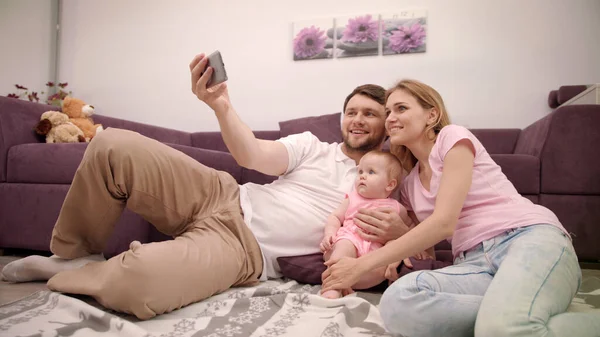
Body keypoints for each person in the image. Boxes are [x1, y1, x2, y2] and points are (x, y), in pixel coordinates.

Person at [0, 53, 411, 320]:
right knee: (112, 144)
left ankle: (80, 273)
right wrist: (220, 105)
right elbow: (250, 155)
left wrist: (403, 234)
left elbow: (421, 231)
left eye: (370, 114)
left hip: (243, 250)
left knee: (135, 286)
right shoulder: (312, 147)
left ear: (388, 123)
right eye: (351, 111)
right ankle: (72, 254)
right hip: (222, 194)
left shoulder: (394, 182)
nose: (357, 119)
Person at [321, 79, 600, 336]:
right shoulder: (408, 185)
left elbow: (444, 223)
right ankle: (516, 316)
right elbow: (422, 247)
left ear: (431, 115)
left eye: (401, 108)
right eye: (388, 111)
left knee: (502, 328)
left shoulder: (452, 138)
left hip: (526, 239)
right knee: (397, 303)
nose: (391, 117)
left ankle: (509, 322)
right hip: (473, 264)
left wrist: (361, 265)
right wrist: (396, 239)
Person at [319, 150, 418, 299]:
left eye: (371, 172)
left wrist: (413, 248)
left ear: (390, 185)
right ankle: (333, 287)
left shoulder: (397, 208)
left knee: (390, 254)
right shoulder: (352, 199)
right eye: (360, 172)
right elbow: (335, 217)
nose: (362, 176)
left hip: (375, 255)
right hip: (350, 240)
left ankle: (385, 283)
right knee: (344, 246)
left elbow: (411, 229)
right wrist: (329, 234)